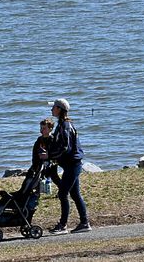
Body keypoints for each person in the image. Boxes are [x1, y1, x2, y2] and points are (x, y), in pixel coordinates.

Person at [41, 98, 91, 234]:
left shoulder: (65, 126)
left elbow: (65, 147)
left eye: (53, 108)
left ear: (59, 109)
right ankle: (84, 223)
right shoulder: (63, 124)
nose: (51, 110)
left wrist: (50, 156)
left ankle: (63, 225)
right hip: (71, 164)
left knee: (63, 194)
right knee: (74, 194)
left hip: (72, 165)